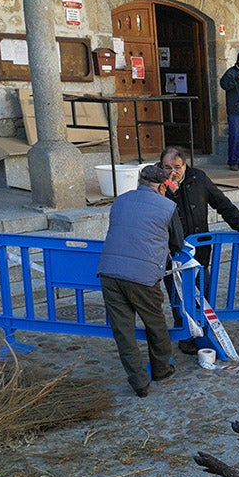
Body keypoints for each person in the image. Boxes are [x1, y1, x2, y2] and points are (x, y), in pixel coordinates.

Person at [97, 164, 184, 398]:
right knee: (155, 324)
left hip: (110, 272)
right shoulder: (168, 206)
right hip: (143, 276)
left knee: (123, 331)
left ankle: (139, 383)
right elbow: (178, 243)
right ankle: (162, 370)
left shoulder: (121, 200)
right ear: (162, 186)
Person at [160, 147, 239, 354]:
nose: (172, 172)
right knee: (178, 297)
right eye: (167, 167)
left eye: (177, 167)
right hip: (171, 255)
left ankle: (204, 332)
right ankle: (185, 335)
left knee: (202, 291)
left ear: (185, 165)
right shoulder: (156, 183)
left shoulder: (198, 178)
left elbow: (222, 203)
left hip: (199, 252)